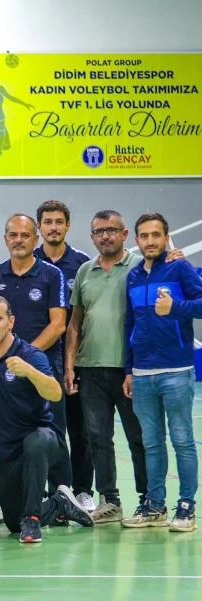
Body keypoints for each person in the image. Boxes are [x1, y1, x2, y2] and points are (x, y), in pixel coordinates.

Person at [0, 296, 93, 542]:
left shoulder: (30, 355)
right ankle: (60, 504)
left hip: (44, 438)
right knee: (13, 522)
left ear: (11, 322)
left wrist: (30, 372)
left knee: (34, 443)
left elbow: (55, 393)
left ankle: (33, 520)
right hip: (8, 451)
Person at [0, 213, 72, 493]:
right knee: (10, 432)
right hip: (3, 369)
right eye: (13, 235)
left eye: (24, 235)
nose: (18, 240)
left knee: (53, 432)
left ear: (35, 239)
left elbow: (58, 324)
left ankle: (62, 495)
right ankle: (16, 494)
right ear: (5, 239)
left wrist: (25, 357)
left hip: (44, 365)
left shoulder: (51, 274)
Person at [121, 212, 202, 532]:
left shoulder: (179, 268)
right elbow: (129, 324)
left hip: (177, 371)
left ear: (166, 238)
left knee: (182, 440)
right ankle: (154, 506)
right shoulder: (133, 277)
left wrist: (176, 308)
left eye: (156, 235)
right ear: (137, 240)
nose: (150, 241)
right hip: (142, 373)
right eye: (144, 236)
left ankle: (186, 506)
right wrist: (129, 369)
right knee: (151, 443)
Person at [66, 210, 147, 524]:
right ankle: (110, 501)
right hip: (90, 370)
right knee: (98, 439)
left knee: (138, 438)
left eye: (111, 230)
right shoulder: (85, 271)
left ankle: (147, 500)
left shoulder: (140, 266)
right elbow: (75, 323)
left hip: (129, 370)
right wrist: (70, 366)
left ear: (124, 234)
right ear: (92, 237)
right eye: (99, 231)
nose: (105, 236)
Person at [33, 199, 96, 512]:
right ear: (39, 227)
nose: (53, 227)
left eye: (59, 221)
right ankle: (55, 491)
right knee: (48, 430)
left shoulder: (82, 264)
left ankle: (83, 490)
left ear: (68, 225)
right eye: (48, 222)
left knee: (79, 428)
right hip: (41, 363)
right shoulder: (30, 261)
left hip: (77, 361)